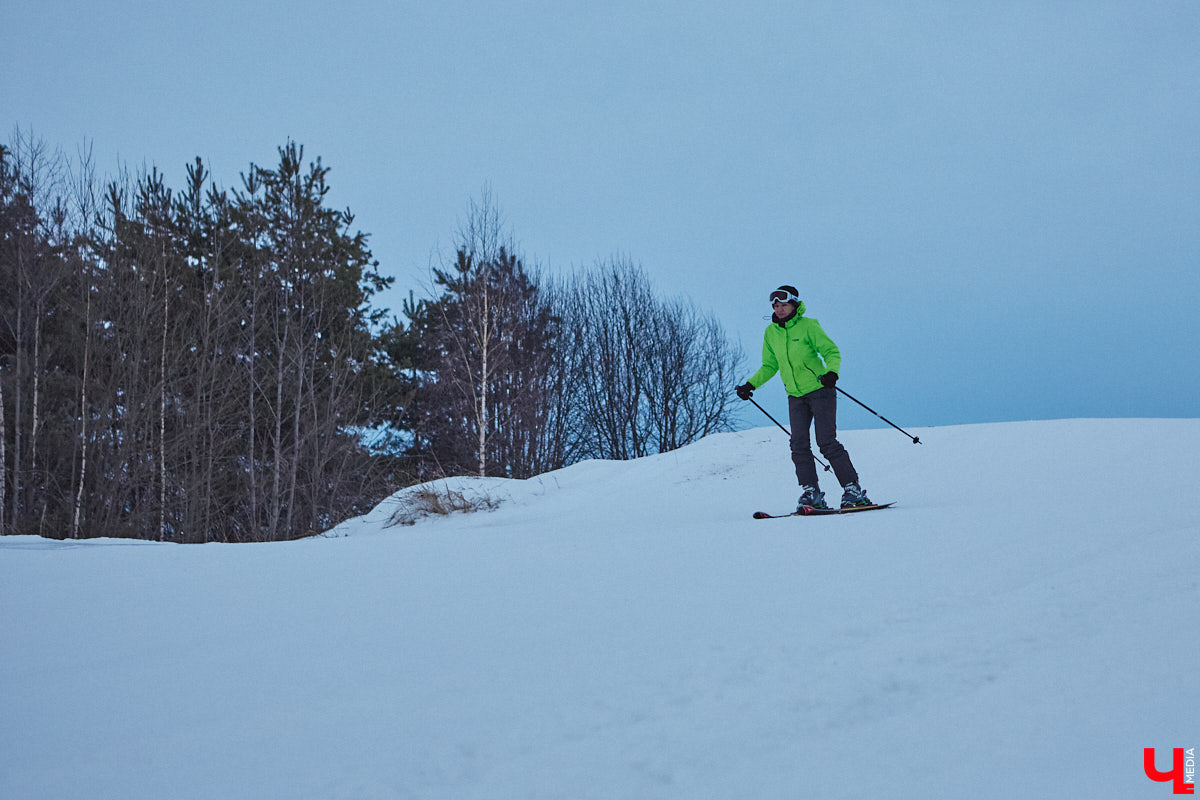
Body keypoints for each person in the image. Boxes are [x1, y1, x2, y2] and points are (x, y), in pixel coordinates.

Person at [735, 285, 872, 510]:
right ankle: (811, 493)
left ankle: (852, 490)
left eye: (784, 305)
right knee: (798, 444)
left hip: (820, 391)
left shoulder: (809, 326)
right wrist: (750, 385)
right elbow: (770, 365)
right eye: (776, 305)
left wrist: (832, 372)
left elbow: (831, 351)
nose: (779, 309)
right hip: (795, 396)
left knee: (826, 442)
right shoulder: (771, 333)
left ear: (794, 305)